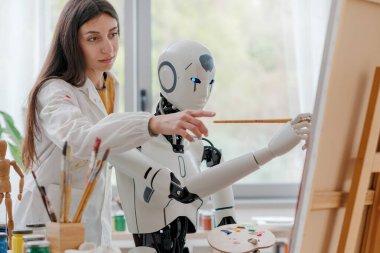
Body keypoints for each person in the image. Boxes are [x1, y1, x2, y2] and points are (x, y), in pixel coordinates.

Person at [14, 0, 215, 246]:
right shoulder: (53, 90)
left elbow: (112, 145)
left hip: (95, 226)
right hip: (46, 228)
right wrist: (152, 124)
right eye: (93, 38)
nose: (108, 48)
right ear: (72, 42)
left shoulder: (110, 85)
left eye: (113, 34)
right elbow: (80, 141)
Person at [116, 40, 312, 252]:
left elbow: (227, 226)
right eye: (195, 80)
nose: (204, 92)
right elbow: (184, 192)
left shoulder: (198, 149)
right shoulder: (133, 142)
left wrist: (240, 242)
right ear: (167, 76)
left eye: (210, 83)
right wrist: (270, 152)